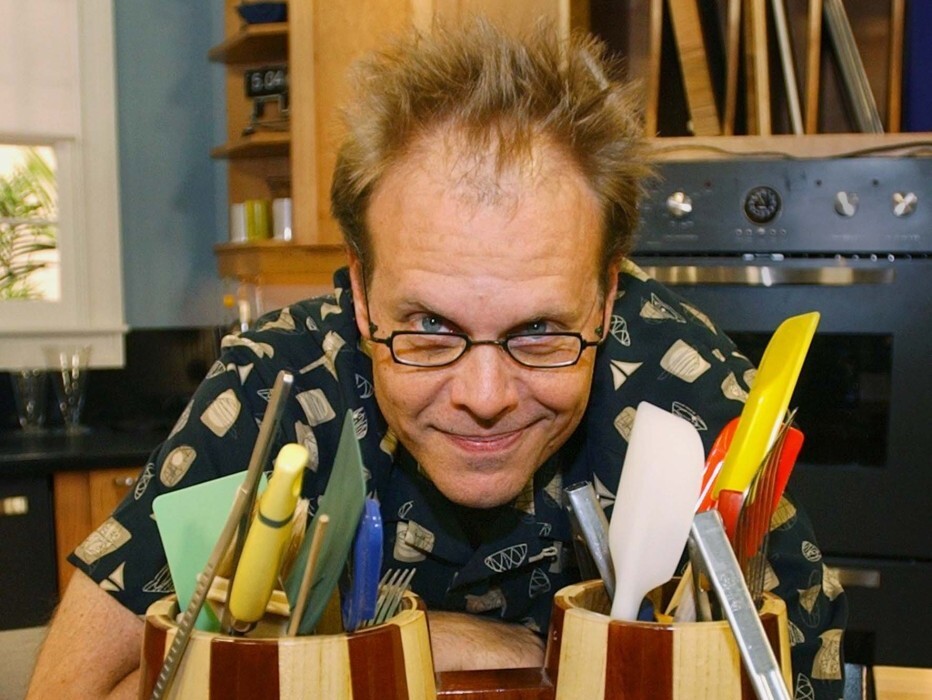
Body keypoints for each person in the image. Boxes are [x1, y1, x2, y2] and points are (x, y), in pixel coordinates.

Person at [28, 19, 846, 699]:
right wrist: (416, 644)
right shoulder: (272, 385)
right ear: (360, 296)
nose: (484, 396)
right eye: (427, 325)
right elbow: (73, 690)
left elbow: (800, 679)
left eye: (540, 330)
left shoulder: (693, 398)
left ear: (605, 297)